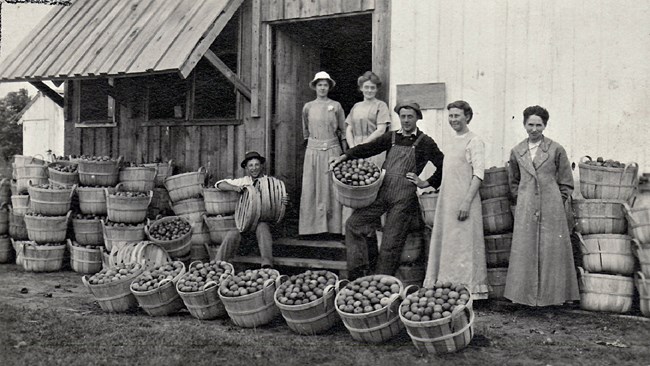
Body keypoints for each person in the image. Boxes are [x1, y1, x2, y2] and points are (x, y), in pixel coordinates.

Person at [329, 101, 444, 279]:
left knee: (390, 242)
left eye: (410, 117)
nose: (406, 120)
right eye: (403, 116)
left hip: (404, 198)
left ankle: (381, 282)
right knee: (353, 224)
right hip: (382, 192)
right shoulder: (391, 137)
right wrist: (344, 156)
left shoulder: (425, 142)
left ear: (417, 118)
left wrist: (425, 182)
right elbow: (368, 148)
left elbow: (443, 164)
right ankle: (360, 272)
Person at [504, 105, 579, 306]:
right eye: (530, 124)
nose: (534, 129)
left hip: (551, 208)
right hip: (527, 207)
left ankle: (552, 298)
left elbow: (566, 182)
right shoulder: (517, 151)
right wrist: (523, 200)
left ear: (545, 125)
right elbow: (513, 181)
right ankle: (524, 298)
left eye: (539, 125)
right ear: (524, 124)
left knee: (551, 251)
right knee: (525, 250)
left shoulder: (556, 149)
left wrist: (555, 201)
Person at [423, 101, 489, 299]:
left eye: (457, 116)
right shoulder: (450, 141)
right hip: (448, 201)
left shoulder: (475, 141)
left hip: (464, 201)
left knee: (465, 246)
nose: (453, 120)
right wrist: (423, 183)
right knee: (450, 245)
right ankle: (448, 288)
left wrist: (466, 202)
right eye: (450, 116)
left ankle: (469, 291)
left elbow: (478, 174)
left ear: (467, 117)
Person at [213, 151, 284, 268]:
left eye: (256, 165)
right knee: (232, 234)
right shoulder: (244, 181)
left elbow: (279, 199)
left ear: (261, 166)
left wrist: (283, 202)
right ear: (246, 168)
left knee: (262, 227)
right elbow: (219, 184)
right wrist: (235, 188)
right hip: (246, 227)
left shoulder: (270, 183)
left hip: (266, 226)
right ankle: (217, 265)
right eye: (250, 165)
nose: (254, 168)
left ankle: (267, 264)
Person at [299, 71, 346, 235]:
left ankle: (334, 229)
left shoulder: (336, 106)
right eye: (320, 85)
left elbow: (343, 130)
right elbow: (306, 131)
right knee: (312, 187)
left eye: (325, 85)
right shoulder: (308, 107)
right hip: (313, 151)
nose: (322, 88)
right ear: (315, 87)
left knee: (332, 187)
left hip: (333, 150)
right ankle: (311, 229)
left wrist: (345, 153)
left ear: (329, 87)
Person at [345, 71, 391, 168]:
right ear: (361, 88)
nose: (369, 90)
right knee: (357, 176)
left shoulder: (381, 105)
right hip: (355, 147)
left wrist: (362, 146)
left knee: (372, 176)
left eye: (372, 87)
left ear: (376, 89)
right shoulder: (356, 106)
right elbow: (349, 129)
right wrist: (352, 148)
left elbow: (381, 130)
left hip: (373, 147)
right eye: (366, 87)